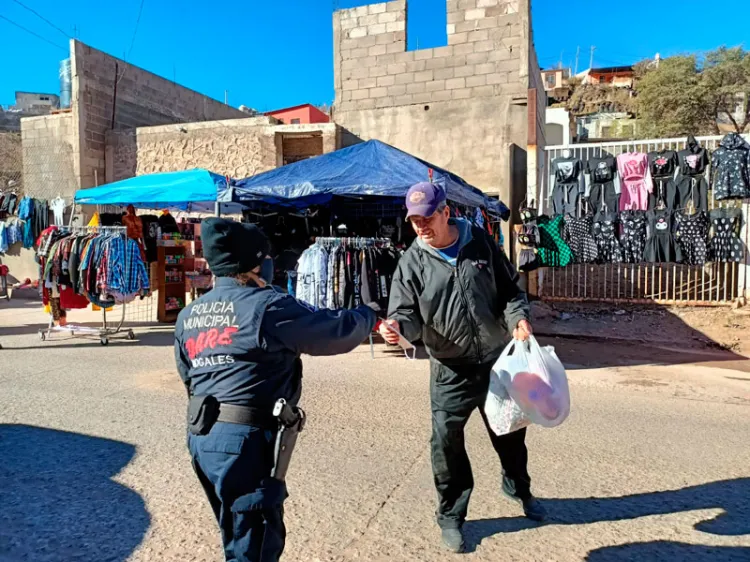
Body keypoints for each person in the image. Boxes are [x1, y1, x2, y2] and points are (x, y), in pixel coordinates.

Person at [174, 218, 378, 562]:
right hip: (243, 441)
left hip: (202, 437)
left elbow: (188, 374)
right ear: (252, 263)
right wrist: (369, 314)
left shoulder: (189, 314)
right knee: (255, 543)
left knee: (236, 533)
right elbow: (332, 332)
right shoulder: (267, 306)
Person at [379, 182, 546, 553]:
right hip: (449, 370)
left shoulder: (480, 244)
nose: (421, 226)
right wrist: (397, 330)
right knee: (445, 443)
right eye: (414, 220)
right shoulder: (412, 262)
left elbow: (510, 292)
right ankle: (451, 515)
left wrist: (518, 318)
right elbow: (405, 313)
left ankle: (519, 487)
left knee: (510, 434)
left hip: (495, 363)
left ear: (445, 213)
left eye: (427, 218)